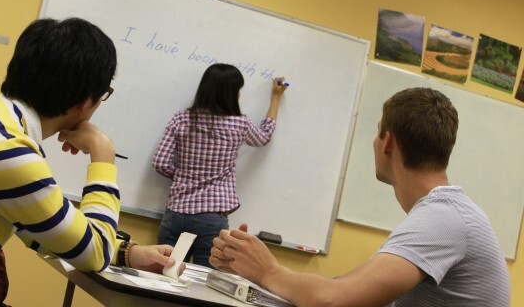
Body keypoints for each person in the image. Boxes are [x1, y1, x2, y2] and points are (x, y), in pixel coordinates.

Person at [0, 18, 179, 306]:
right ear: (87, 101)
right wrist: (103, 155)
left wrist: (128, 253)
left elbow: (46, 231)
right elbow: (94, 252)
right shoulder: (7, 148)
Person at [210, 87, 511, 306]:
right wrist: (250, 267)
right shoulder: (442, 214)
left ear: (388, 142)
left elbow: (333, 300)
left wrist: (268, 270)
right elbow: (345, 288)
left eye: (378, 132)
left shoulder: (442, 219)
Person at [152, 63, 287, 267]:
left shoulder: (182, 118)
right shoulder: (239, 124)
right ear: (231, 93)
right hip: (211, 218)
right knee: (203, 283)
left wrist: (184, 176)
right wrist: (276, 97)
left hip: (176, 214)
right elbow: (263, 137)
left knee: (164, 275)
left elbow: (160, 162)